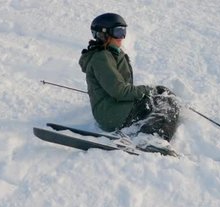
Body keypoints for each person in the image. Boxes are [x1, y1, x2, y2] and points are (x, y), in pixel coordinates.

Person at [78, 13, 181, 142]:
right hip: (112, 113)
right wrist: (148, 90)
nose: (122, 36)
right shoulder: (101, 58)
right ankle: (153, 138)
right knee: (166, 102)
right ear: (103, 34)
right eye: (118, 32)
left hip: (116, 110)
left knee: (161, 95)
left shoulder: (111, 54)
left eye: (123, 31)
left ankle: (147, 131)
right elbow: (119, 91)